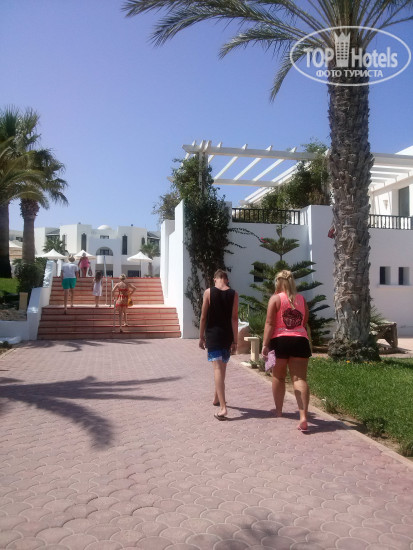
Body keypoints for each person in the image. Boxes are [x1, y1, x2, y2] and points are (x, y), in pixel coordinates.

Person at [261, 269, 312, 432]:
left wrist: (265, 344)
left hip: (279, 341)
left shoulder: (275, 299)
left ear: (278, 282)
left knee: (278, 377)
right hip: (300, 341)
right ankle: (303, 417)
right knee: (299, 379)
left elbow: (269, 323)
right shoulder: (301, 299)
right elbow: (304, 321)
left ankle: (278, 411)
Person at [199, 269, 239, 421]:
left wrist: (201, 337)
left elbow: (203, 317)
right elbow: (234, 318)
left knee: (217, 369)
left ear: (215, 279)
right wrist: (235, 341)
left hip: (213, 335)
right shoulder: (234, 294)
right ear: (226, 279)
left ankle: (223, 408)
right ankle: (217, 398)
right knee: (222, 369)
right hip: (227, 336)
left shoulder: (208, 292)